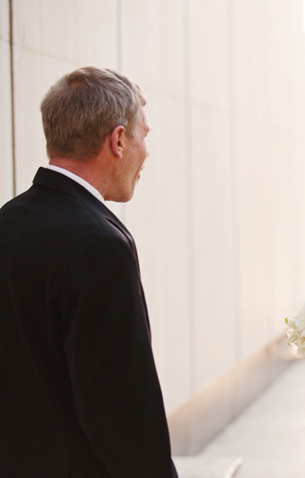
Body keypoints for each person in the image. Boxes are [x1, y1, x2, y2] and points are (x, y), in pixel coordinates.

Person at [0, 67, 177, 477]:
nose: (146, 152)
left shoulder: (6, 221)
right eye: (143, 135)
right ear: (117, 140)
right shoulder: (100, 244)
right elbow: (120, 408)